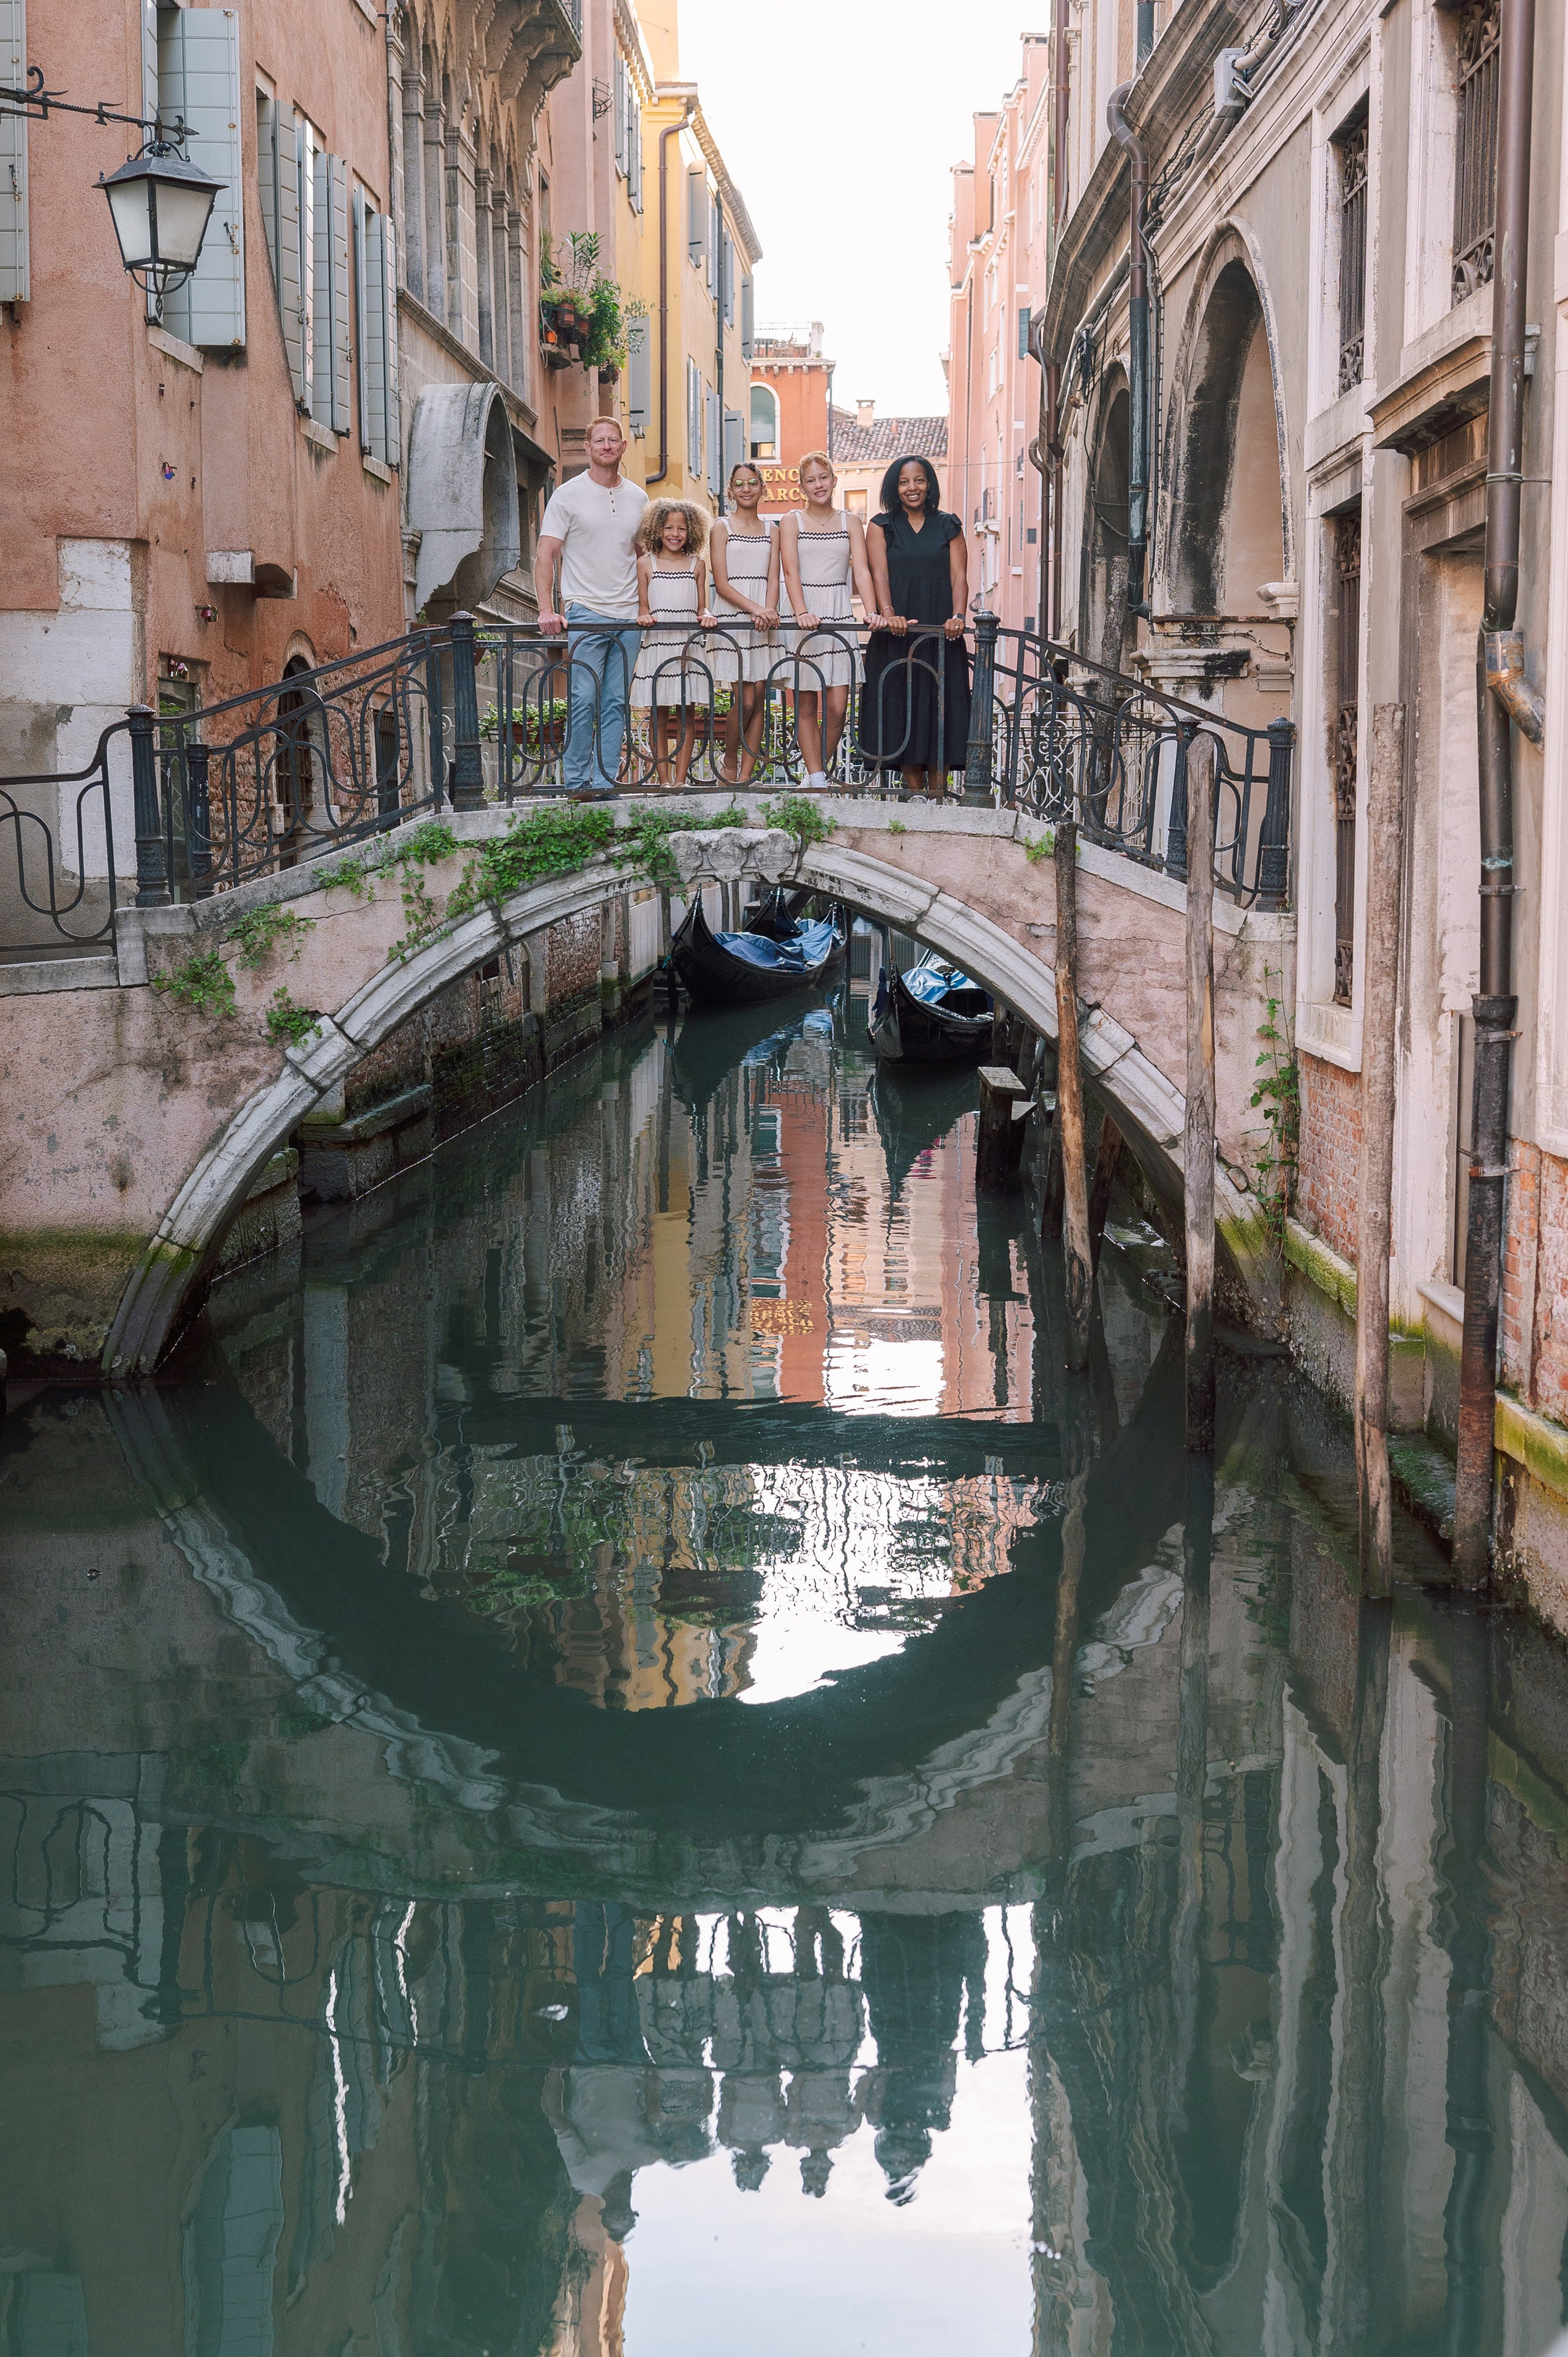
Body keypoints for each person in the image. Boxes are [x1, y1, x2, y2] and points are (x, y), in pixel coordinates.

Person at [533, 418, 647, 798]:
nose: (607, 446)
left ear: (623, 446)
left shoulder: (638, 498)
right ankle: (577, 781)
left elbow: (644, 558)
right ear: (588, 447)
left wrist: (648, 606)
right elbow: (546, 553)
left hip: (629, 615)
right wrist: (546, 609)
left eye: (613, 440)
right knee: (583, 697)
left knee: (616, 701)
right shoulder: (567, 495)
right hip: (585, 611)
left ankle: (605, 781)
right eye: (599, 440)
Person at [860, 454, 972, 798]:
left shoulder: (949, 524)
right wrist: (888, 611)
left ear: (930, 484)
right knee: (902, 708)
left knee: (940, 709)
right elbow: (878, 572)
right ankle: (919, 796)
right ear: (895, 487)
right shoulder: (881, 525)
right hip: (897, 633)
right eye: (905, 482)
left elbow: (959, 576)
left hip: (942, 634)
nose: (913, 488)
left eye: (919, 480)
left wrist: (958, 617)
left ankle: (938, 794)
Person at [779, 451, 880, 788]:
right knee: (805, 701)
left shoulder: (850, 521)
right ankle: (818, 778)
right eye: (811, 480)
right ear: (802, 486)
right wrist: (800, 612)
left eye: (824, 477)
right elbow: (790, 570)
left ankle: (815, 772)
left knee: (838, 705)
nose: (818, 485)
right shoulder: (792, 521)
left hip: (838, 610)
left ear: (834, 481)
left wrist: (871, 611)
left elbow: (862, 570)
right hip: (806, 613)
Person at [631, 500, 715, 788]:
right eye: (669, 527)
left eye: (682, 528)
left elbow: (702, 607)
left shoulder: (697, 565)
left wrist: (707, 616)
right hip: (657, 646)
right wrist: (643, 616)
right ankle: (663, 779)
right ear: (658, 529)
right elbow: (643, 607)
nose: (675, 534)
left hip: (687, 648)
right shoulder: (646, 563)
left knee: (686, 716)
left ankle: (681, 781)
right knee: (659, 716)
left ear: (692, 532)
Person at [709, 462, 782, 783]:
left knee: (761, 694)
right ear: (731, 491)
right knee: (746, 697)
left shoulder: (773, 530)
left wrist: (768, 610)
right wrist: (757, 610)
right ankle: (729, 756)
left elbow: (774, 577)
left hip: (764, 619)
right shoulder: (721, 527)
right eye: (740, 484)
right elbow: (722, 584)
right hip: (735, 615)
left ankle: (746, 774)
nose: (747, 489)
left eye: (753, 483)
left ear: (762, 488)